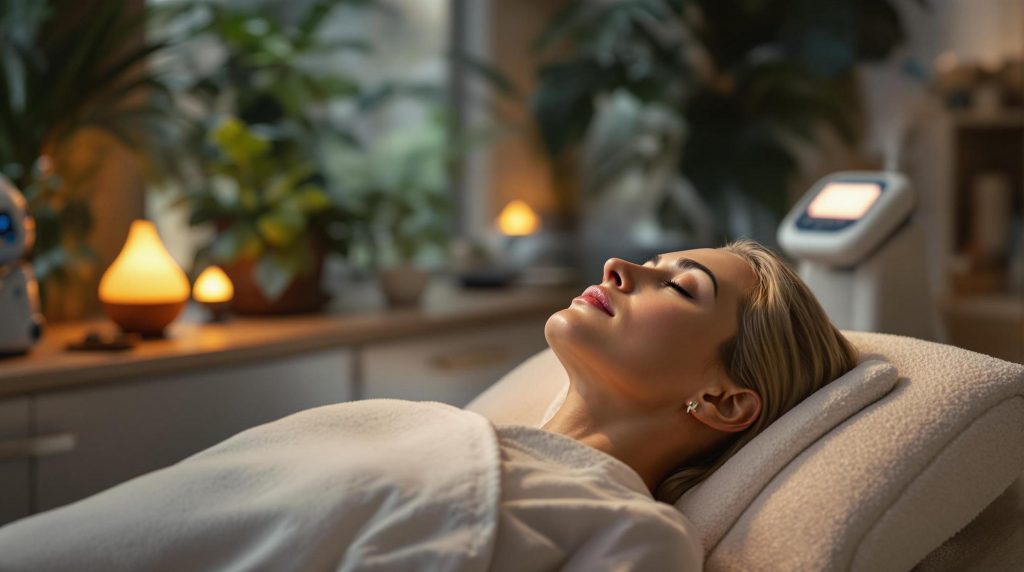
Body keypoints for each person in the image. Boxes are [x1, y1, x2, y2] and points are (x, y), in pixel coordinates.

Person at [0, 240, 857, 571]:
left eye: (684, 285)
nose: (622, 269)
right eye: (654, 260)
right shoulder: (441, 428)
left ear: (723, 399)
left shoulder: (631, 532)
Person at [541, 239, 858, 503]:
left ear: (722, 401)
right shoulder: (502, 450)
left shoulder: (630, 537)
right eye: (649, 265)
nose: (614, 265)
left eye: (677, 286)